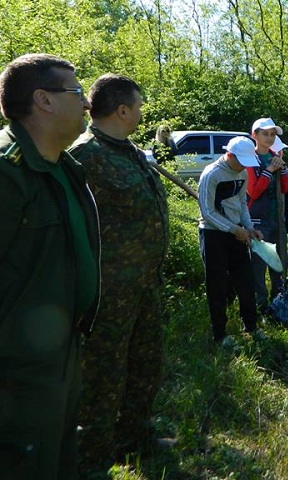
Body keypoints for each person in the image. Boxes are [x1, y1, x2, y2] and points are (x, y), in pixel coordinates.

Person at [0, 53, 100, 479]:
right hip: (15, 373)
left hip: (58, 357)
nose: (87, 104)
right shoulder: (7, 174)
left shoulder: (65, 167)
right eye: (77, 93)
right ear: (43, 100)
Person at [68, 74, 170, 472]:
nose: (142, 112)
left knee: (146, 363)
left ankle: (135, 438)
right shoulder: (84, 155)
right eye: (138, 106)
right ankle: (92, 456)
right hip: (108, 292)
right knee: (103, 375)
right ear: (122, 109)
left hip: (144, 284)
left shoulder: (129, 151)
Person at [198, 135, 264, 347]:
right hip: (213, 235)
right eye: (241, 161)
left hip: (237, 233)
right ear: (230, 155)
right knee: (217, 285)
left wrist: (249, 227)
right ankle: (219, 334)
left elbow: (242, 203)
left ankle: (251, 326)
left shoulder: (243, 172)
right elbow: (207, 212)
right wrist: (233, 229)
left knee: (245, 280)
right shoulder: (212, 174)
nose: (244, 166)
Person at [246, 118, 288, 313]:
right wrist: (269, 170)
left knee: (280, 261)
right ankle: (260, 305)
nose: (269, 137)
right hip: (257, 221)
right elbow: (253, 192)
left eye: (273, 134)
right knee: (258, 265)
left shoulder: (276, 157)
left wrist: (284, 172)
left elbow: (286, 189)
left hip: (277, 219)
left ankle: (279, 300)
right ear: (254, 135)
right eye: (265, 133)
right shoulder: (249, 159)